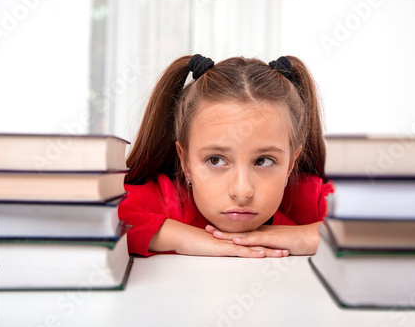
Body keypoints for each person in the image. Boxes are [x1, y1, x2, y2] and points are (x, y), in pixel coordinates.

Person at [119, 54, 335, 258]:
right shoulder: (166, 199)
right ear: (185, 162)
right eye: (215, 160)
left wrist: (305, 237)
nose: (242, 191)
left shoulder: (309, 198)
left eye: (263, 161)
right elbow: (95, 214)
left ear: (291, 164)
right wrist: (181, 238)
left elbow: (367, 221)